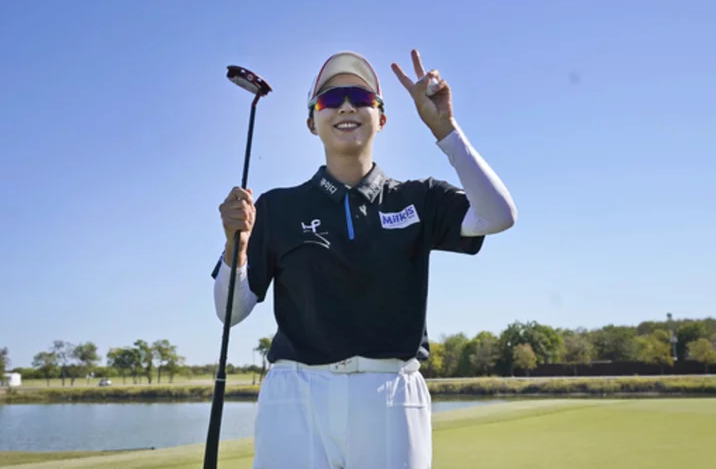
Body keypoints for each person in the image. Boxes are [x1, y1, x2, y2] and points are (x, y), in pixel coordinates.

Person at [212, 49, 517, 469]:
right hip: (295, 393)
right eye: (329, 100)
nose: (346, 107)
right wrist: (236, 247)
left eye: (360, 96)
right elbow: (231, 311)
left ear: (382, 117)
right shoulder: (276, 207)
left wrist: (445, 129)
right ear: (311, 122)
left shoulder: (419, 198)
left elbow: (498, 215)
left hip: (391, 391)